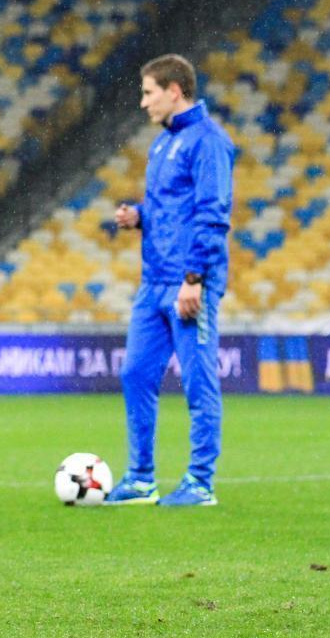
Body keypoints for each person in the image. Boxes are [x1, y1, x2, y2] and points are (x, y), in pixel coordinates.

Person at [108, 54, 235, 507]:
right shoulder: (163, 144)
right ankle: (141, 478)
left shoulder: (210, 142)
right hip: (154, 281)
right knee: (135, 374)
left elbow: (212, 213)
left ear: (174, 91)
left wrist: (195, 278)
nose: (143, 103)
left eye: (149, 93)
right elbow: (170, 210)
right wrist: (139, 216)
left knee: (198, 384)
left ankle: (200, 482)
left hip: (188, 283)